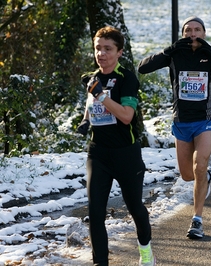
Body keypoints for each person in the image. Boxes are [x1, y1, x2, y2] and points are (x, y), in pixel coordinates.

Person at [138, 16, 211, 238]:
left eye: (197, 30)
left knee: (199, 166)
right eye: (188, 30)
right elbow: (143, 68)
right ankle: (204, 177)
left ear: (204, 33)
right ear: (183, 33)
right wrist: (168, 50)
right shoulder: (175, 54)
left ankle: (197, 220)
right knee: (188, 175)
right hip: (181, 120)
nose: (193, 34)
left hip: (206, 120)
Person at [77, 26, 155, 266]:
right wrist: (85, 121)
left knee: (135, 209)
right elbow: (92, 107)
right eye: (98, 49)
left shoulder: (126, 78)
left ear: (119, 52)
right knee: (96, 214)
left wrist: (102, 96)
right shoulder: (92, 78)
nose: (101, 54)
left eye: (107, 49)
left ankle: (146, 251)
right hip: (98, 153)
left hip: (125, 154)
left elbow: (126, 116)